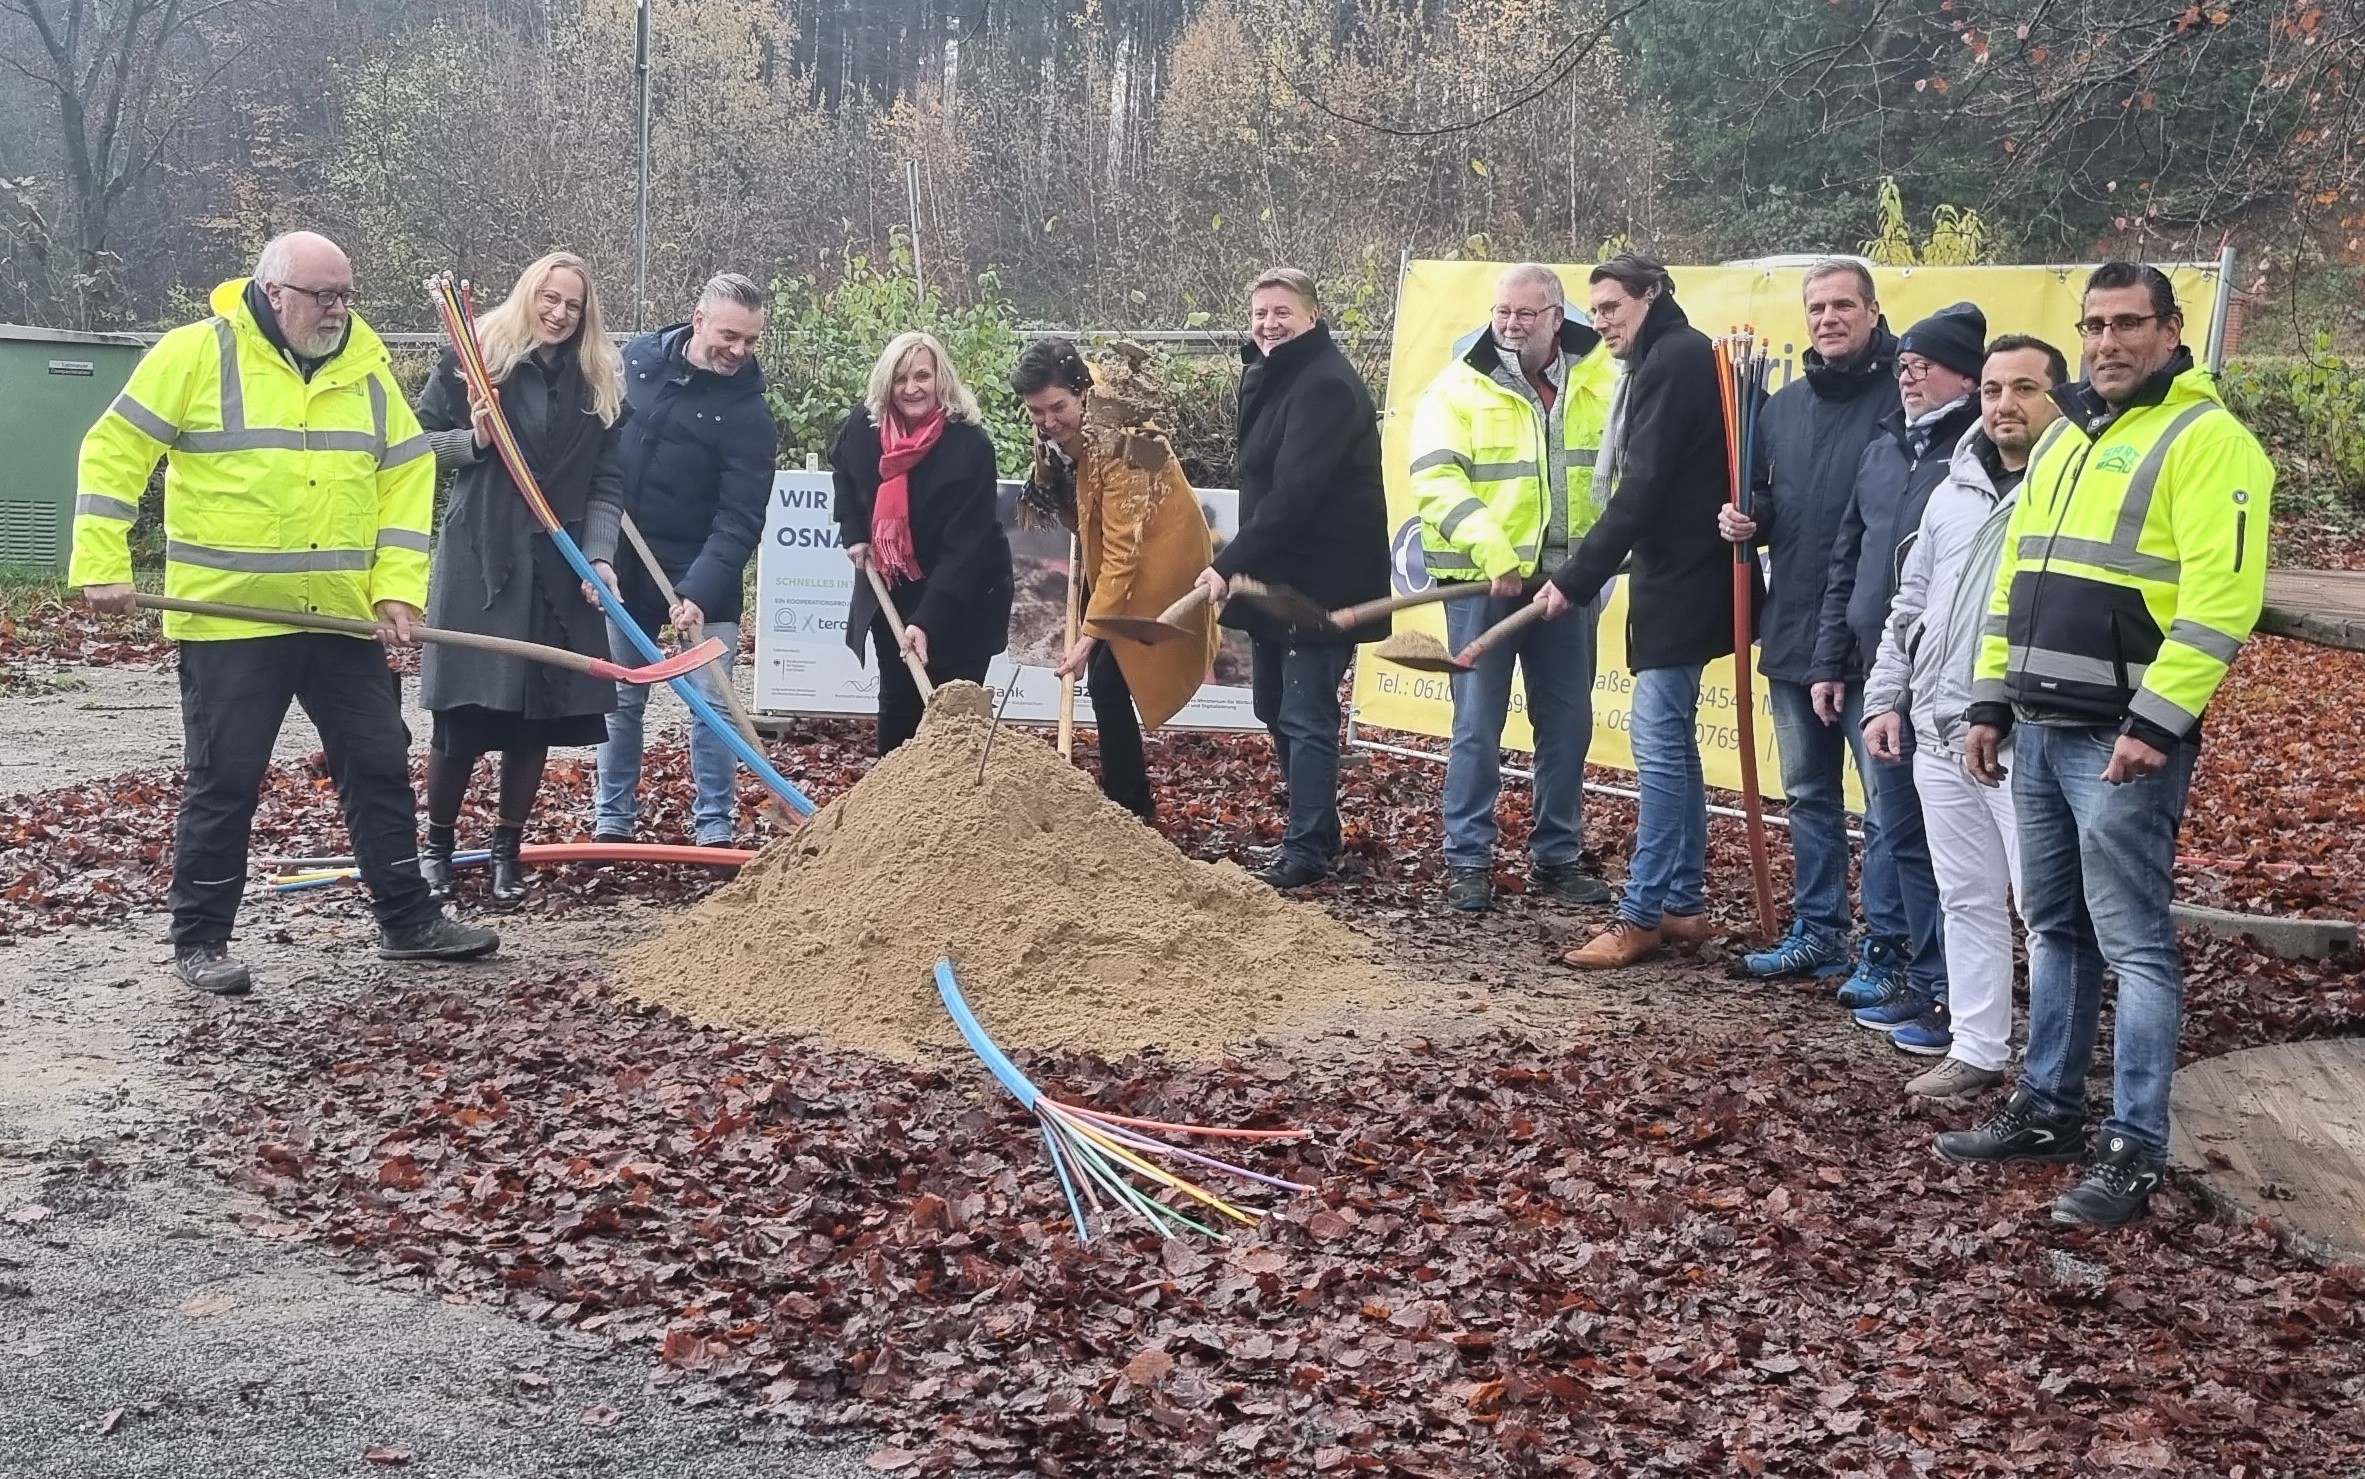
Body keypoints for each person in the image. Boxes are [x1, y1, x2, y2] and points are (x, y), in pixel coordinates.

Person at [69, 230, 498, 995]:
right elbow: (114, 448)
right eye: (320, 295)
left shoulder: (365, 368)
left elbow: (402, 482)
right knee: (225, 778)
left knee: (376, 764)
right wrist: (100, 562)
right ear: (273, 293)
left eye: (344, 294)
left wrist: (395, 590)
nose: (336, 309)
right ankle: (200, 940)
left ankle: (408, 920)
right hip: (231, 620)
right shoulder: (197, 353)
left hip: (336, 618)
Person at [1936, 263, 2274, 1230]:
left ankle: (2132, 1143)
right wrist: (1989, 702)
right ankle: (2047, 1107)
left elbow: (2219, 603)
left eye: (2129, 324)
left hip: (2119, 739)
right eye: (2093, 326)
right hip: (2037, 727)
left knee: (2134, 944)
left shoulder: (2209, 442)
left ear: (2171, 331)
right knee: (2052, 927)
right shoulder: (2065, 438)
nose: (2107, 343)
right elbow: (2015, 583)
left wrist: (2155, 724)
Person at [1860, 335, 2068, 1095]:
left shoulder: (2066, 488)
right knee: (1965, 895)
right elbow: (1908, 605)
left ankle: (2047, 1073)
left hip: (2022, 733)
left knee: (2043, 909)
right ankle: (1976, 1046)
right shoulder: (1950, 490)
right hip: (1937, 727)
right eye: (1990, 390)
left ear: (2056, 397)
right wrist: (1886, 696)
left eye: (2023, 389)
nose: (2003, 405)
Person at [1537, 254, 1745, 968]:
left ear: (1650, 297)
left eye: (1611, 307)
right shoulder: (1668, 355)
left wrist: (1574, 577)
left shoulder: (1674, 359)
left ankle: (1641, 912)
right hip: (1677, 577)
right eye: (1592, 311)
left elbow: (1644, 485)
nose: (1600, 323)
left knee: (1656, 748)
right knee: (1674, 747)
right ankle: (1682, 905)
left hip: (1684, 582)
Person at [414, 251, 626, 906]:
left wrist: (598, 556)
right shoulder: (475, 360)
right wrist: (474, 440)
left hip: (556, 565)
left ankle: (508, 849)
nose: (559, 313)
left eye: (573, 305)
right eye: (550, 298)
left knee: (536, 716)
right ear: (529, 293)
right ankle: (437, 848)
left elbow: (606, 483)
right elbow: (418, 440)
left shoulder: (599, 382)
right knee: (464, 716)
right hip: (481, 558)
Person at [1408, 263, 1618, 912]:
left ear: (1558, 318)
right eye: (1502, 311)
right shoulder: (1456, 387)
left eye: (1525, 314)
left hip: (1565, 586)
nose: (1510, 324)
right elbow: (1437, 483)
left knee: (1567, 725)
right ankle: (1467, 859)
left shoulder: (1602, 381)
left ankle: (1555, 859)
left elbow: (1621, 478)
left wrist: (1591, 564)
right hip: (1482, 586)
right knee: (1476, 725)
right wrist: (1494, 553)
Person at [1719, 260, 1898, 984]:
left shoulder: (1900, 396)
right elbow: (1766, 499)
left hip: (1872, 634)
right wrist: (1743, 518)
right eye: (1817, 307)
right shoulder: (1783, 407)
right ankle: (1819, 927)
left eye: (1843, 306)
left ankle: (1890, 944)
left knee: (1887, 802)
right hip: (1793, 624)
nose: (1828, 318)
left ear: (1872, 311)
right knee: (1808, 792)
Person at [1815, 303, 1988, 1038]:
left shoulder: (1977, 455)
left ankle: (1956, 989)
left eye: (1923, 367)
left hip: (1945, 676)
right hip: (1878, 665)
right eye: (1904, 367)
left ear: (1967, 377)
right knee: (1900, 833)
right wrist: (1832, 655)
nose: (1909, 379)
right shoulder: (1887, 445)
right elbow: (1848, 556)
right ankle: (1924, 977)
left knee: (1941, 842)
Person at [1195, 268, 1389, 890]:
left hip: (1322, 578)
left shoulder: (1326, 384)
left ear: (1311, 315)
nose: (1269, 324)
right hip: (1272, 571)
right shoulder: (1263, 372)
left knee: (1306, 713)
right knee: (1270, 703)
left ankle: (1307, 848)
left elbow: (1297, 492)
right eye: (1260, 313)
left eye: (1282, 312)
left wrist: (1227, 565)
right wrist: (1244, 562)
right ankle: (1319, 828)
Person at [594, 272, 773, 848]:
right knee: (622, 695)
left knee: (713, 705)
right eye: (729, 335)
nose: (739, 351)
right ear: (698, 321)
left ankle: (714, 828)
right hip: (624, 565)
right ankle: (613, 821)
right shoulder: (637, 361)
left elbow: (741, 518)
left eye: (750, 341)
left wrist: (696, 589)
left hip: (702, 574)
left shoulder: (749, 417)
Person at [1013, 338, 1218, 819]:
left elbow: (1127, 550)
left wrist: (1087, 637)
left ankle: (1131, 807)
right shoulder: (1056, 425)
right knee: (1108, 681)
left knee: (1109, 671)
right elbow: (1067, 489)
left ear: (1083, 394)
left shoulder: (1127, 440)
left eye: (1057, 408)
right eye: (1036, 412)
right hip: (1114, 551)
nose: (1046, 422)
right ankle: (1129, 801)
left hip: (1162, 556)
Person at [831, 330, 1014, 755]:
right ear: (886, 384)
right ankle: (894, 811)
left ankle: (951, 814)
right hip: (893, 588)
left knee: (954, 716)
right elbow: (843, 471)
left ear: (940, 379)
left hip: (965, 599)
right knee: (898, 705)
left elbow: (966, 547)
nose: (911, 388)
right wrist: (856, 532)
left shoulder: (970, 446)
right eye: (900, 379)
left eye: (922, 376)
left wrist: (927, 621)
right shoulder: (865, 426)